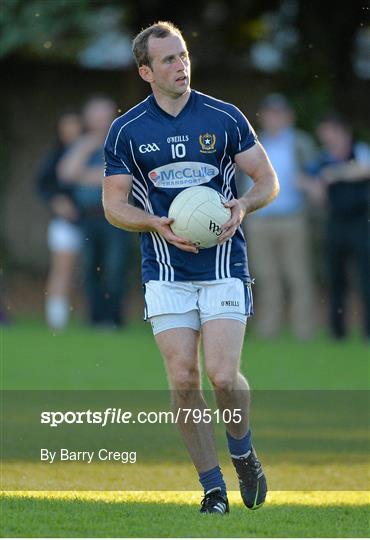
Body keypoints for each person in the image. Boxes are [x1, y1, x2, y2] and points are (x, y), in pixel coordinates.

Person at [103, 22, 279, 514]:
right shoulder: (127, 131)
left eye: (183, 56)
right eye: (168, 60)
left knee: (222, 375)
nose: (180, 66)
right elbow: (114, 205)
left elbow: (267, 179)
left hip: (224, 264)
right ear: (146, 71)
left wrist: (244, 205)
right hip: (165, 270)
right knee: (183, 378)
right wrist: (154, 224)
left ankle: (242, 451)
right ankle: (212, 489)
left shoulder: (224, 117)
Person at [243, 94, 317, 340]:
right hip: (260, 220)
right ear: (263, 117)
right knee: (266, 276)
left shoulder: (302, 144)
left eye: (279, 113)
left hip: (293, 218)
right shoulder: (253, 143)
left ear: (288, 116)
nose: (274, 118)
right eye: (270, 113)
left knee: (298, 276)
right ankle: (268, 329)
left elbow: (316, 175)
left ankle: (304, 330)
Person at [58, 97, 131, 328]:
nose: (100, 121)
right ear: (88, 118)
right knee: (90, 268)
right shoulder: (81, 144)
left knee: (115, 267)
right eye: (95, 116)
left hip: (117, 217)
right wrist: (87, 153)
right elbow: (66, 174)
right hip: (88, 217)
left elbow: (124, 177)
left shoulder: (121, 142)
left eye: (104, 115)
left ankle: (113, 319)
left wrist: (88, 176)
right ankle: (95, 319)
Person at [308, 114, 370, 340]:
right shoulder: (322, 158)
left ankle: (368, 331)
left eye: (329, 132)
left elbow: (365, 169)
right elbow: (307, 179)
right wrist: (314, 188)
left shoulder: (360, 150)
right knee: (336, 279)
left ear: (343, 132)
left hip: (361, 223)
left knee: (366, 279)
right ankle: (337, 332)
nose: (325, 137)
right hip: (335, 224)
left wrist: (335, 174)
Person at [35, 111, 83, 330]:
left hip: (93, 221)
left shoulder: (92, 152)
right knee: (61, 270)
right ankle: (57, 321)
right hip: (66, 223)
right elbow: (43, 184)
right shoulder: (55, 155)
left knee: (89, 271)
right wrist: (57, 201)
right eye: (67, 126)